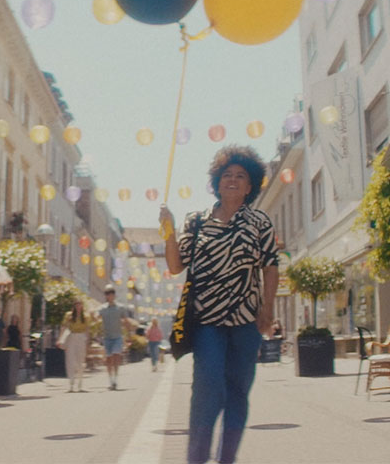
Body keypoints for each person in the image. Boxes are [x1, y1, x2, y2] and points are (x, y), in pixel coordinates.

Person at [162, 145, 279, 464]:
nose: (233, 179)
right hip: (207, 322)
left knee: (238, 392)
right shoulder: (197, 221)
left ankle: (226, 459)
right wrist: (169, 231)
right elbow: (175, 266)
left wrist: (268, 307)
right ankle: (197, 459)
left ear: (250, 185)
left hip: (246, 322)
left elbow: (270, 266)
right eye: (227, 174)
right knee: (208, 387)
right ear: (217, 181)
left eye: (240, 176)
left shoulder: (259, 222)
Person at [99, 284, 137, 390]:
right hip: (107, 337)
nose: (109, 295)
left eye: (111, 293)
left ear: (114, 295)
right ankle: (110, 380)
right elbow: (96, 319)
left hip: (117, 337)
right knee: (109, 359)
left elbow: (125, 320)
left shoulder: (120, 308)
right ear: (106, 296)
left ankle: (115, 379)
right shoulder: (102, 308)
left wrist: (130, 334)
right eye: (107, 293)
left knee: (116, 357)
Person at [59, 301, 90, 392]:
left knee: (80, 361)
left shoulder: (86, 316)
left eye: (80, 304)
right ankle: (71, 384)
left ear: (82, 306)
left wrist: (88, 341)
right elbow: (64, 327)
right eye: (76, 304)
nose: (78, 306)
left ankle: (80, 384)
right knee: (70, 360)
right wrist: (60, 339)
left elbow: (87, 329)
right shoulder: (69, 315)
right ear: (74, 306)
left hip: (81, 337)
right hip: (71, 337)